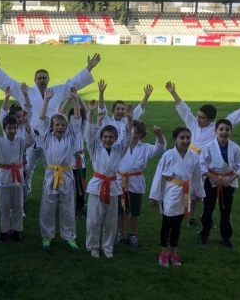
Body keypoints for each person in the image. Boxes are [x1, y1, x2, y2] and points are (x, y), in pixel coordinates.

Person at [0, 52, 100, 202]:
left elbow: (72, 83)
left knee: (53, 168)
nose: (41, 80)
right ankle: (23, 197)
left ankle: (56, 196)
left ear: (48, 79)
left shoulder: (57, 91)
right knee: (26, 170)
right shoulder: (28, 91)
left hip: (50, 137)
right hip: (30, 138)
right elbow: (10, 83)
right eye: (39, 78)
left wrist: (89, 67)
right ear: (34, 79)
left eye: (44, 78)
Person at [165, 81, 240, 227]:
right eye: (198, 115)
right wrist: (173, 92)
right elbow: (184, 108)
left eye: (202, 117)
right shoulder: (192, 123)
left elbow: (232, 118)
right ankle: (190, 217)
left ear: (210, 119)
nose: (198, 118)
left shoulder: (215, 128)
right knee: (191, 190)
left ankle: (207, 218)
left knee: (206, 194)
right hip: (190, 160)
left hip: (206, 163)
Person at [36, 87, 84, 251]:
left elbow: (77, 120)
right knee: (48, 207)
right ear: (52, 126)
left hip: (66, 174)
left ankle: (69, 236)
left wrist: (75, 99)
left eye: (63, 125)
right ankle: (47, 237)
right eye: (57, 125)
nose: (60, 127)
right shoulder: (46, 137)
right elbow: (42, 118)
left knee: (67, 207)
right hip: (51, 174)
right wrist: (46, 100)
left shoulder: (71, 136)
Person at [0, 84, 34, 242]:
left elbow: (31, 139)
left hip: (18, 175)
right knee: (4, 205)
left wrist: (26, 122)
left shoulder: (20, 141)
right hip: (5, 175)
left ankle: (17, 230)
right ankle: (4, 230)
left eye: (14, 128)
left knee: (18, 205)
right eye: (9, 128)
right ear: (4, 128)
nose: (12, 131)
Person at [149, 127, 204, 267]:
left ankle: (173, 251)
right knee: (167, 224)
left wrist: (199, 193)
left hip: (185, 192)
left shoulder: (193, 156)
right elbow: (158, 175)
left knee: (177, 225)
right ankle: (163, 252)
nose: (185, 141)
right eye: (182, 138)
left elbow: (197, 176)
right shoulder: (168, 155)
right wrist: (154, 195)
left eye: (188, 138)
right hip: (171, 192)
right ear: (175, 139)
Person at [85, 100, 132, 259]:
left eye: (111, 137)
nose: (107, 139)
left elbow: (127, 138)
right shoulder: (94, 148)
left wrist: (130, 120)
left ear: (115, 138)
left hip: (112, 187)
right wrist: (91, 113)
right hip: (97, 186)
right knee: (93, 221)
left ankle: (107, 246)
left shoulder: (120, 149)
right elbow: (89, 135)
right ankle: (93, 246)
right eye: (105, 136)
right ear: (101, 137)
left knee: (111, 222)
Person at [115, 121, 166, 246]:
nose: (134, 134)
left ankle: (133, 235)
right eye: (132, 132)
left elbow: (159, 150)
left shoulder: (145, 148)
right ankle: (121, 233)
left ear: (142, 134)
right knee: (121, 211)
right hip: (120, 181)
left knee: (135, 212)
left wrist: (159, 136)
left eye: (137, 132)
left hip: (136, 183)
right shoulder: (120, 145)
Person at [198, 119, 240, 249]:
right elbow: (201, 165)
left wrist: (231, 179)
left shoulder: (235, 148)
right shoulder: (208, 147)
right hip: (211, 180)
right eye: (221, 129)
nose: (224, 132)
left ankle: (226, 237)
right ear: (216, 131)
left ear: (231, 131)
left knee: (226, 209)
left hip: (228, 181)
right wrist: (212, 176)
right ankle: (204, 235)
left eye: (227, 129)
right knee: (208, 207)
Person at [59, 92, 89, 218]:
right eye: (71, 116)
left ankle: (79, 208)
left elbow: (86, 113)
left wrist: (78, 99)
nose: (75, 118)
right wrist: (69, 99)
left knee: (80, 187)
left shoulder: (82, 128)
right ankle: (66, 208)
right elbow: (60, 113)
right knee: (67, 186)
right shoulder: (64, 129)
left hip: (79, 161)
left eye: (76, 117)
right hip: (68, 161)